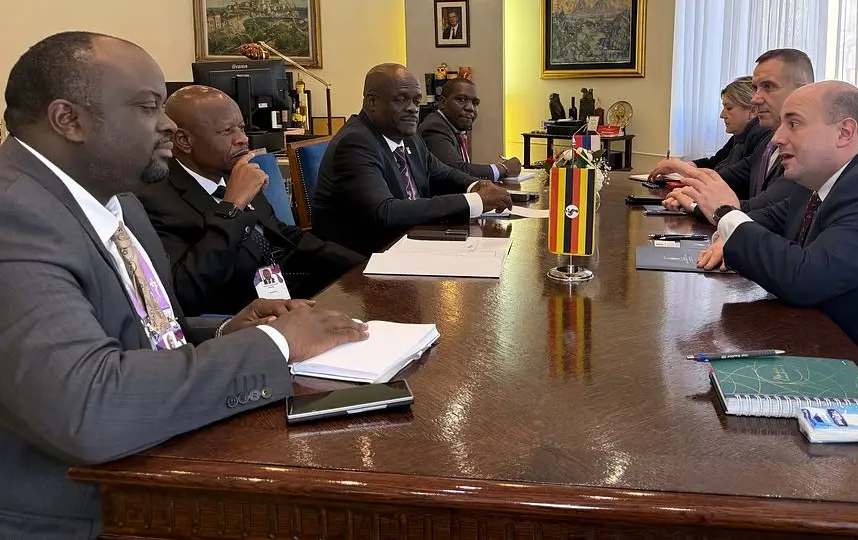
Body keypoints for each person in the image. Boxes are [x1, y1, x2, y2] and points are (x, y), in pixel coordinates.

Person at [0, 31, 369, 539]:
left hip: (152, 463)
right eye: (148, 107)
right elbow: (89, 408)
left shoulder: (120, 200)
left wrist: (224, 332)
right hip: (78, 508)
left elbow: (140, 332)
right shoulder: (14, 215)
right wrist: (275, 344)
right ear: (69, 120)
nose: (169, 125)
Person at [679, 81, 858, 351]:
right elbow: (765, 221)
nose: (777, 138)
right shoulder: (820, 181)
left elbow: (804, 279)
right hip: (826, 335)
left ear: (844, 132)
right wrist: (727, 230)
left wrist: (727, 214)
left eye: (793, 124)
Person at [137, 85, 365, 315]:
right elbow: (186, 291)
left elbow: (282, 235)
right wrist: (231, 207)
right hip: (236, 318)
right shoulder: (153, 200)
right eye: (227, 131)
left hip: (289, 298)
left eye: (242, 128)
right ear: (184, 140)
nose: (243, 139)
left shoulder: (233, 172)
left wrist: (362, 265)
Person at [311, 64, 512, 255]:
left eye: (416, 101)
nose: (413, 108)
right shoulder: (356, 142)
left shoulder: (409, 137)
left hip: (412, 242)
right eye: (401, 100)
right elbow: (386, 212)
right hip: (365, 260)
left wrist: (477, 185)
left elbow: (442, 173)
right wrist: (475, 201)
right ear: (372, 102)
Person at [656, 48, 814, 218]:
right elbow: (727, 176)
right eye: (756, 88)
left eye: (768, 87)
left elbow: (765, 209)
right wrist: (691, 192)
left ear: (802, 91)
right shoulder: (767, 143)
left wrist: (695, 204)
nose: (755, 99)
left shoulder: (809, 149)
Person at [419, 78, 522, 181]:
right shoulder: (435, 127)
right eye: (461, 99)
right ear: (442, 102)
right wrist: (503, 169)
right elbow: (457, 171)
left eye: (475, 103)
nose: (470, 108)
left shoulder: (454, 128)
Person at [689, 76, 771, 179]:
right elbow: (714, 162)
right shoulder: (739, 137)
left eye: (729, 108)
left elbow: (731, 177)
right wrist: (685, 165)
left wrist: (681, 168)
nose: (722, 115)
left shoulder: (760, 138)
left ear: (753, 111)